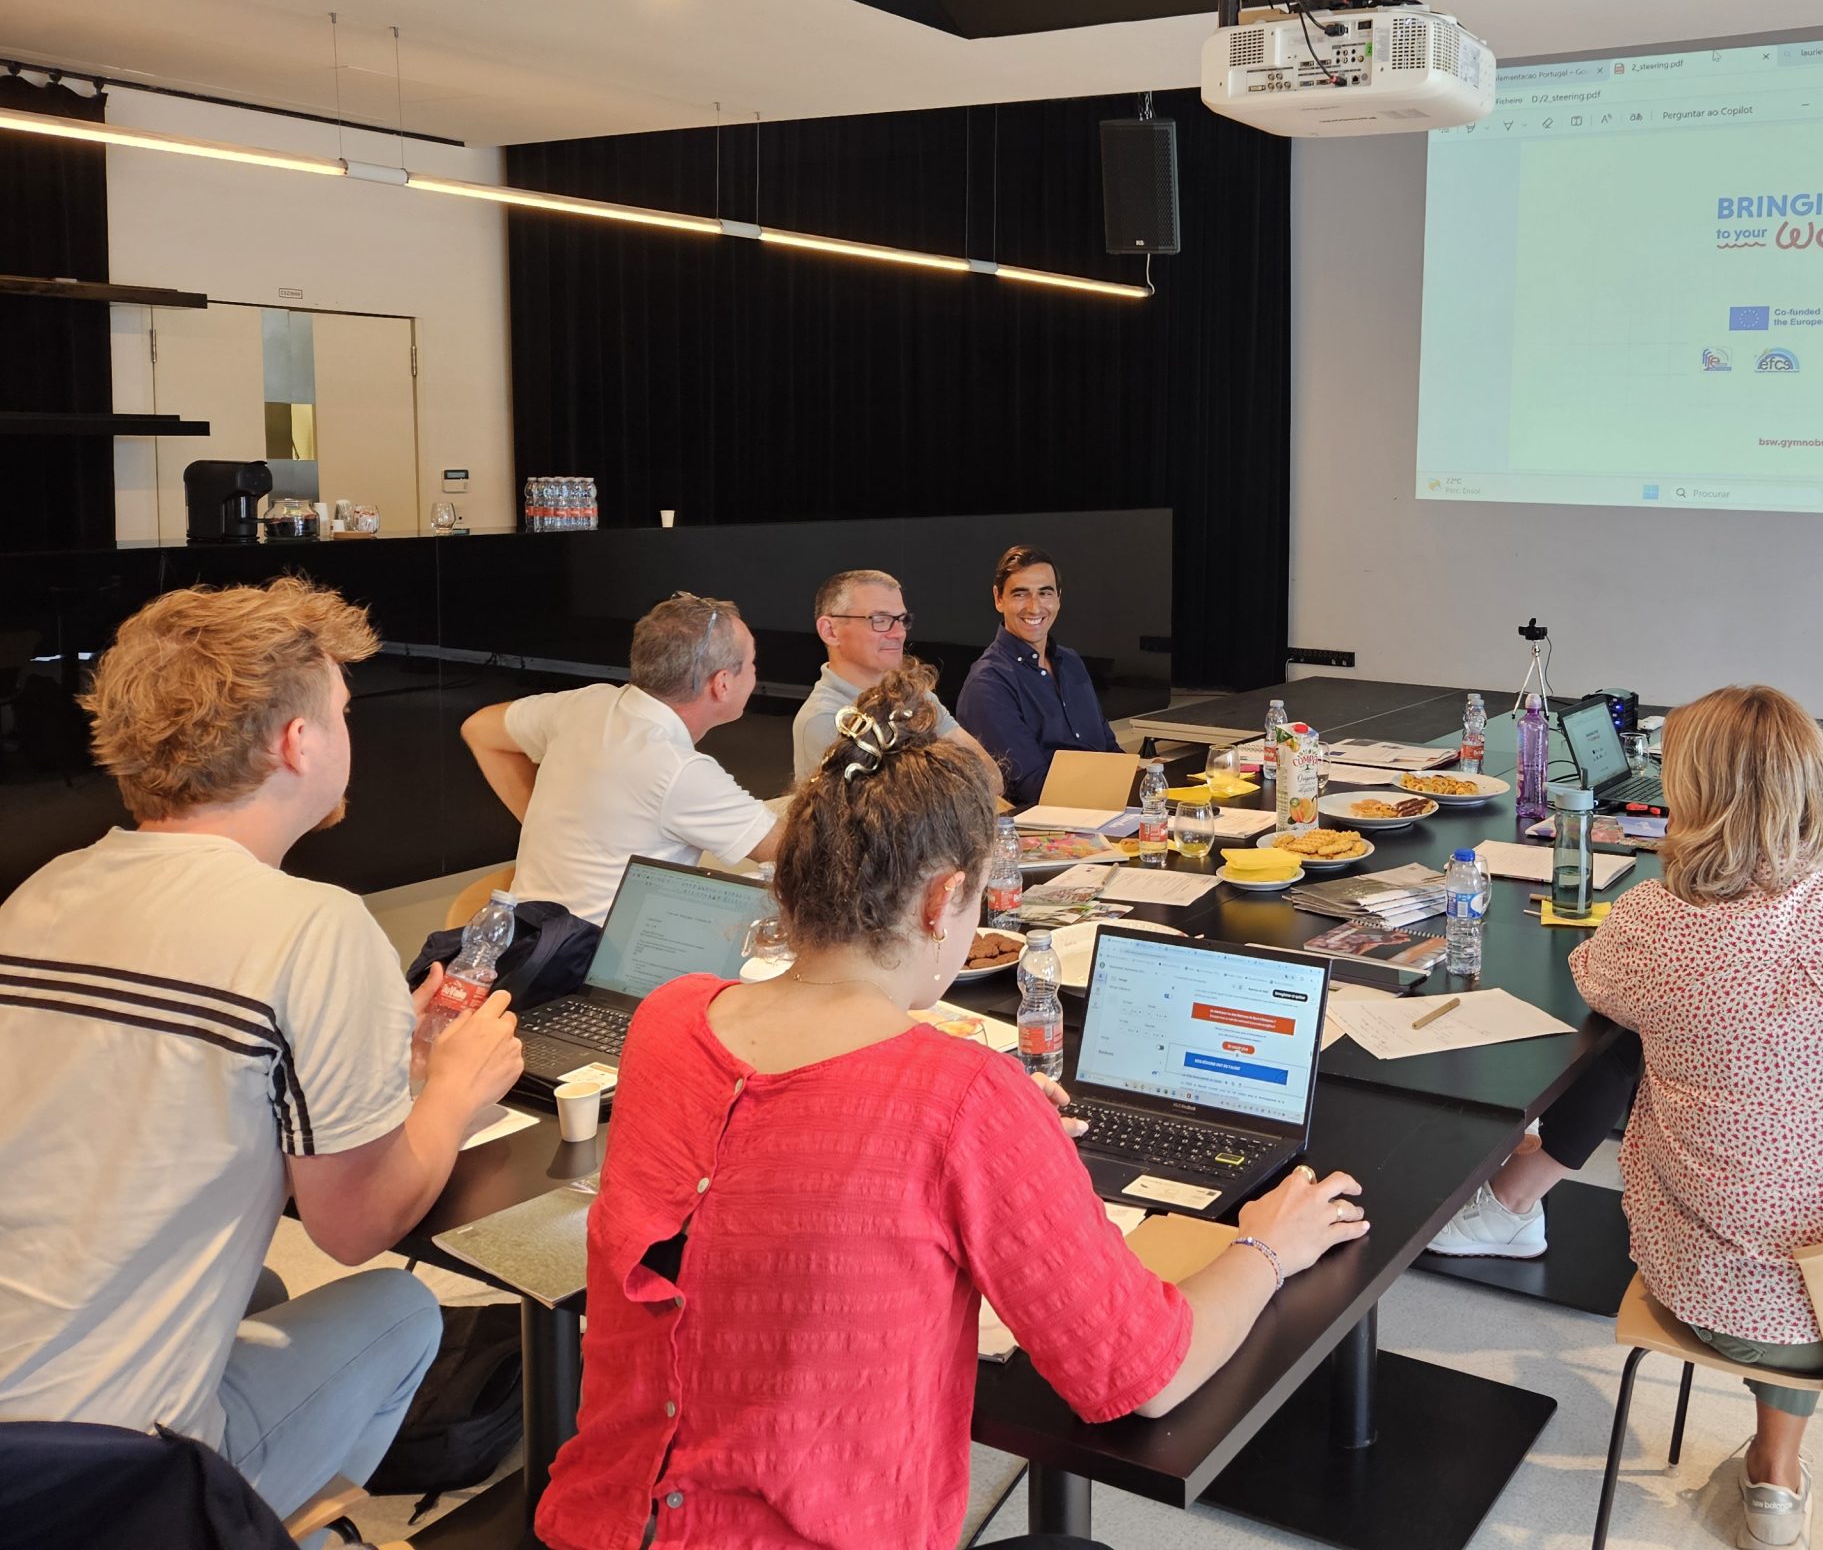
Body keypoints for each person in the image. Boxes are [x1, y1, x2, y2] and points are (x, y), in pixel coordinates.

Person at [535, 664, 1371, 1550]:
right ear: (944, 902)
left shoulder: (670, 1021)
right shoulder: (964, 1098)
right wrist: (1269, 1248)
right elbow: (1141, 1375)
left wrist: (1004, 1146)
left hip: (599, 1527)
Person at [0, 579, 525, 1529]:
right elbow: (353, 1226)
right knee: (401, 1314)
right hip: (103, 1475)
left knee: (269, 1288)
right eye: (342, 713)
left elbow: (155, 1101)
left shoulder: (45, 892)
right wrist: (450, 1090)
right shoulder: (310, 927)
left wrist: (368, 1052)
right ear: (296, 742)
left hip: (18, 1429)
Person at [1431, 686, 1823, 1548]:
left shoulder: (1666, 922)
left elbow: (1592, 978)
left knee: (1751, 1194)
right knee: (1814, 1192)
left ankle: (1510, 1204)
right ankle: (1776, 1475)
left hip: (1737, 1306)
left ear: (1692, 801)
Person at [461, 592, 781, 924]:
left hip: (525, 941)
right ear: (723, 684)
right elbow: (797, 857)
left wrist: (546, 825)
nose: (756, 673)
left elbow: (479, 729)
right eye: (752, 663)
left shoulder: (583, 704)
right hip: (597, 962)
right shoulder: (678, 771)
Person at [788, 568, 999, 791]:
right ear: (830, 631)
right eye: (880, 620)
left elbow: (990, 776)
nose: (899, 633)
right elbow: (884, 819)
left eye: (901, 620)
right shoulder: (824, 719)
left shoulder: (913, 693)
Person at [953, 545, 1118, 804]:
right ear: (999, 599)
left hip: (1102, 808)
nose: (1034, 607)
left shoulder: (1070, 661)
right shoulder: (988, 683)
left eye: (1045, 593)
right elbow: (1034, 788)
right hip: (1040, 828)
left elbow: (1108, 748)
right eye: (1020, 594)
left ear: (1058, 598)